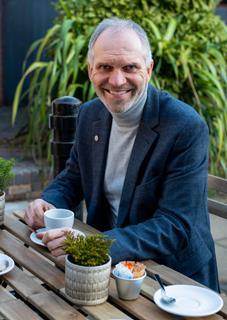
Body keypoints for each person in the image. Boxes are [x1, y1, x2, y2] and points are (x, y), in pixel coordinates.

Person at [25, 17, 219, 291]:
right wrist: (48, 202)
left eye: (130, 67)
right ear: (91, 70)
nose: (116, 81)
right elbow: (73, 177)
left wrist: (93, 245)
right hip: (108, 271)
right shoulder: (90, 115)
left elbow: (176, 226)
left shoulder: (185, 126)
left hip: (173, 279)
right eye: (105, 67)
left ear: (149, 70)